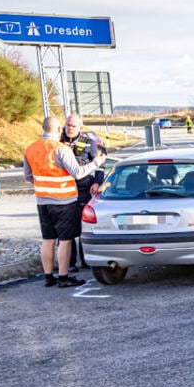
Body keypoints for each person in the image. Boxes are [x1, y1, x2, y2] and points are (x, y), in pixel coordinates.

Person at [23, 116, 106, 288]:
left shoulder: (31, 148)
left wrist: (44, 185)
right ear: (59, 128)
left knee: (48, 240)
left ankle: (48, 277)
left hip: (42, 201)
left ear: (43, 128)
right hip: (63, 201)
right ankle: (63, 277)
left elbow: (28, 176)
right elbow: (77, 173)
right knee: (65, 240)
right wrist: (97, 162)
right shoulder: (61, 149)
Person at [60, 113, 106, 271]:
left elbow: (100, 164)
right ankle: (69, 262)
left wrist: (97, 182)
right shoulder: (58, 142)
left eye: (73, 126)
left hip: (83, 190)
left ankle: (86, 260)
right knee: (66, 229)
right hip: (63, 191)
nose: (70, 128)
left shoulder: (89, 143)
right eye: (68, 125)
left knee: (83, 227)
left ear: (80, 128)